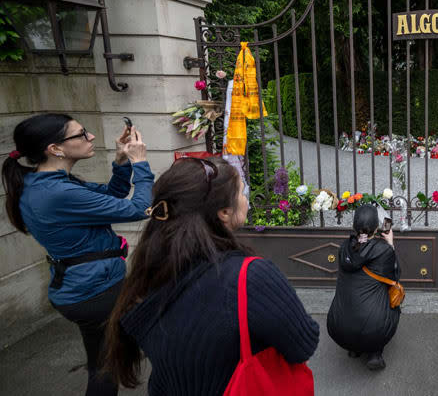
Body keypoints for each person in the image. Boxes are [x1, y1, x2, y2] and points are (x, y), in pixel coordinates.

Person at [104, 158, 320, 394]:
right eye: (241, 192)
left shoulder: (152, 269)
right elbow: (304, 343)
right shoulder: (250, 277)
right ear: (225, 212)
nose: (246, 199)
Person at [1, 114, 152, 396]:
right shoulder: (58, 192)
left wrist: (120, 162)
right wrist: (140, 163)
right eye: (81, 134)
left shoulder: (47, 183)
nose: (91, 137)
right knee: (111, 367)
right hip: (96, 292)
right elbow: (139, 209)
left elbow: (112, 199)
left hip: (81, 289)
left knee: (105, 366)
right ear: (55, 149)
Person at [327, 205, 401, 371]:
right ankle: (375, 354)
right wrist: (390, 244)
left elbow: (361, 248)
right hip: (372, 331)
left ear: (354, 226)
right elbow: (395, 277)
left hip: (336, 327)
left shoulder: (344, 247)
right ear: (377, 227)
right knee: (394, 303)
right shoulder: (383, 250)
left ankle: (354, 349)